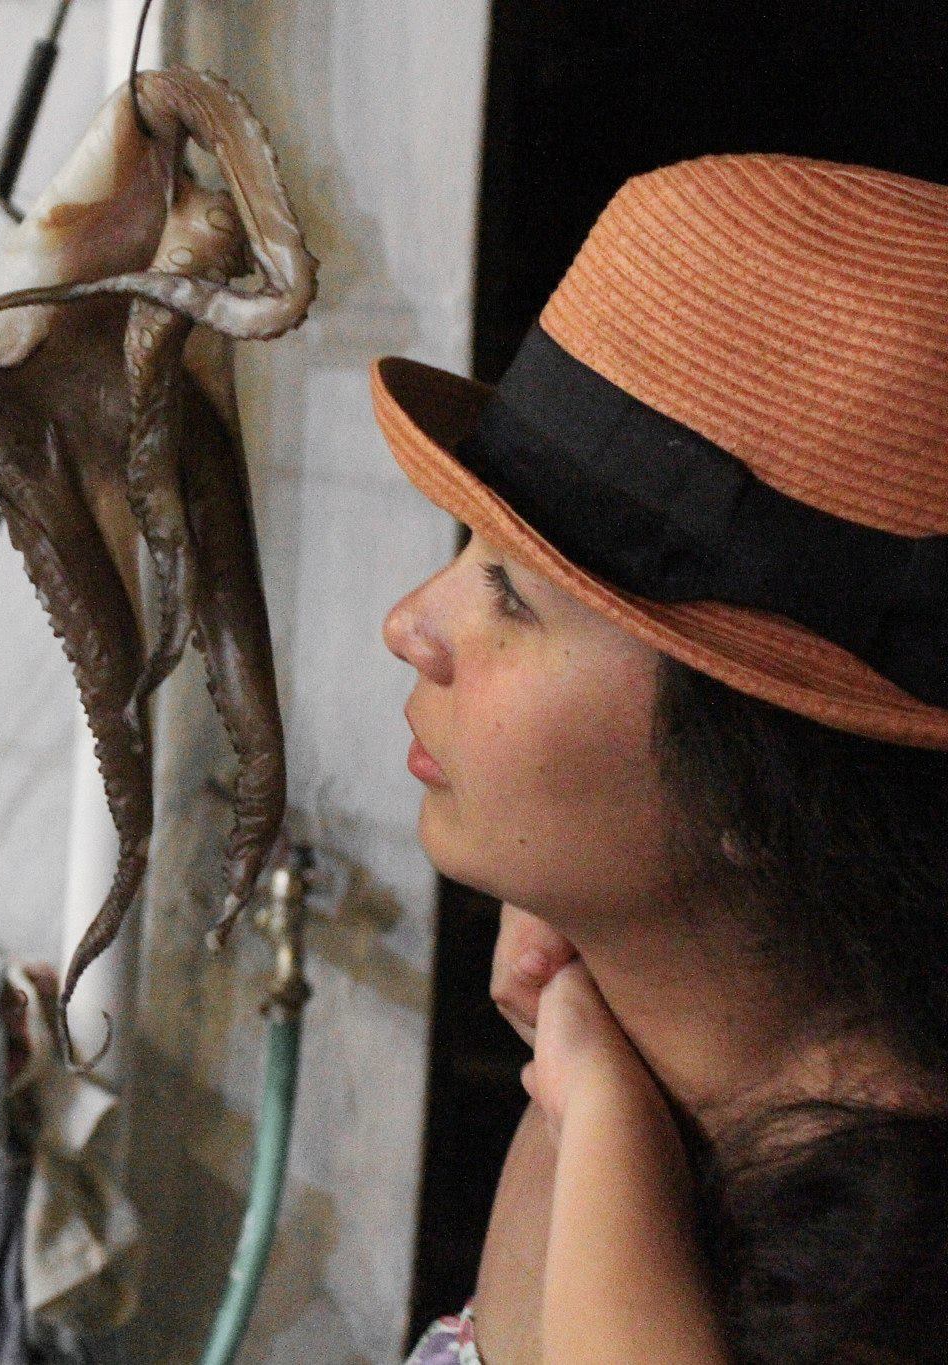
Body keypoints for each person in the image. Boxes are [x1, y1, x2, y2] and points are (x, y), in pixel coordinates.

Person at [377, 155, 948, 1362]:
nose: (409, 627)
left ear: (759, 775)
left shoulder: (879, 1297)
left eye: (509, 598)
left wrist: (593, 1114)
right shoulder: (637, 1065)